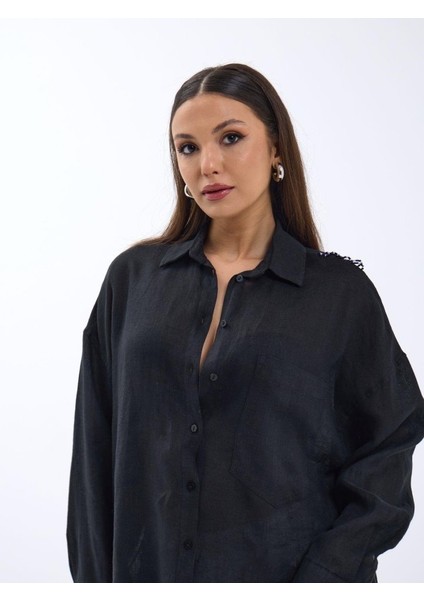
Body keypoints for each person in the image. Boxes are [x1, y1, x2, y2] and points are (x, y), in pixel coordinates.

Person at [66, 63, 424, 583]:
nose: (208, 164)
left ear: (276, 148)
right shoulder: (132, 280)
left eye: (230, 138)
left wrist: (326, 576)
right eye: (188, 148)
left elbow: (389, 447)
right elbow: (93, 453)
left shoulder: (339, 294)